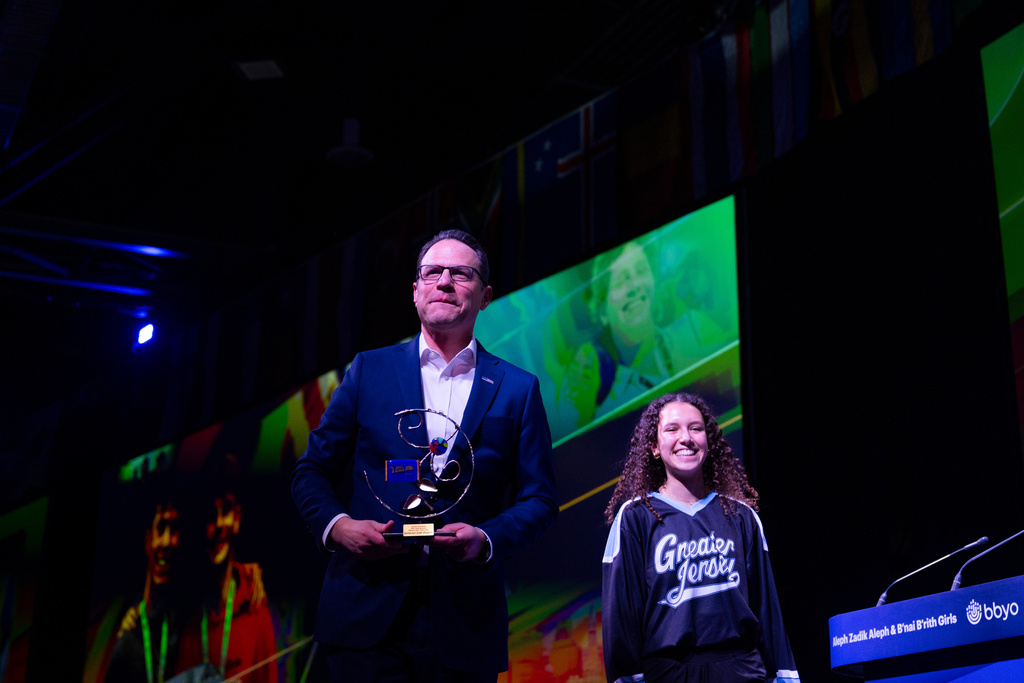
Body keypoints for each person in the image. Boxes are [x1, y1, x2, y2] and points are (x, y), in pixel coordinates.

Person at [291, 228, 558, 682]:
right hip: (364, 612)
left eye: (461, 273)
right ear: (415, 291)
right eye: (433, 272)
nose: (445, 282)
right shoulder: (369, 369)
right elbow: (311, 470)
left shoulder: (518, 388)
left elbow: (540, 499)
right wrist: (339, 527)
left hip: (465, 622)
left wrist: (485, 538)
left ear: (486, 296)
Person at [601, 393, 800, 683]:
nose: (686, 438)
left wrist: (785, 677)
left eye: (696, 428)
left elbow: (767, 610)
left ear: (708, 441)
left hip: (740, 671)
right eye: (672, 429)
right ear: (654, 446)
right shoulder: (635, 517)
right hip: (668, 674)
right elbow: (622, 616)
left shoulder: (740, 516)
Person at [176, 457, 278, 683]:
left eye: (226, 511)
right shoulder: (193, 618)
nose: (219, 525)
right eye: (210, 514)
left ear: (237, 518)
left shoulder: (255, 606)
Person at [105, 497, 186, 683]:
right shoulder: (129, 634)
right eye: (161, 528)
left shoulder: (186, 622)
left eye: (173, 530)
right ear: (148, 540)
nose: (166, 541)